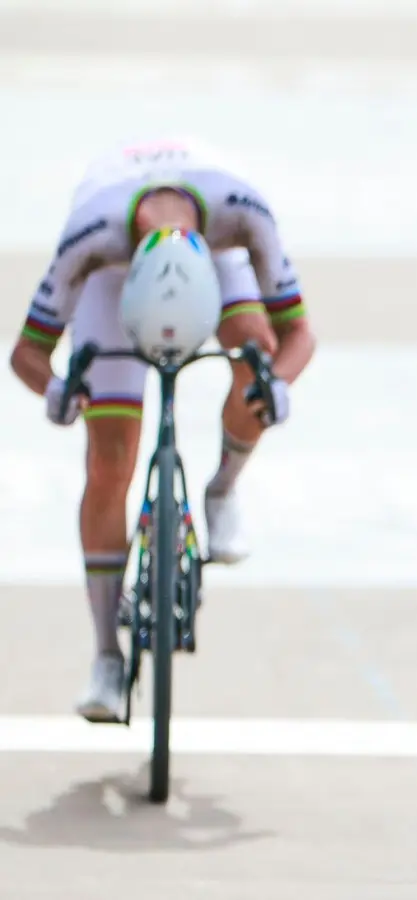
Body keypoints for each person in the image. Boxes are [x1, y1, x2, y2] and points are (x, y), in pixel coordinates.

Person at [8, 136, 316, 723]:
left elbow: (302, 334)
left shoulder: (243, 215)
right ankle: (105, 654)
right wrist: (56, 389)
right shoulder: (91, 236)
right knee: (108, 462)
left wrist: (276, 382)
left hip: (215, 257)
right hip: (113, 280)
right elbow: (27, 350)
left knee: (256, 350)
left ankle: (223, 488)